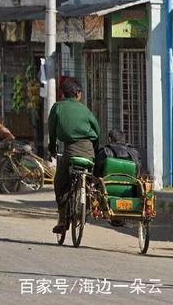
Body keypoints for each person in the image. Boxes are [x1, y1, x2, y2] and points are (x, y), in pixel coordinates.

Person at [48, 78, 100, 234]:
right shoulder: (85, 109)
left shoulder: (57, 107)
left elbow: (52, 132)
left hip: (70, 151)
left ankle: (63, 219)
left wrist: (52, 148)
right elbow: (97, 131)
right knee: (91, 177)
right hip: (89, 150)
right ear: (77, 93)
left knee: (60, 182)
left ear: (64, 94)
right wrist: (95, 152)